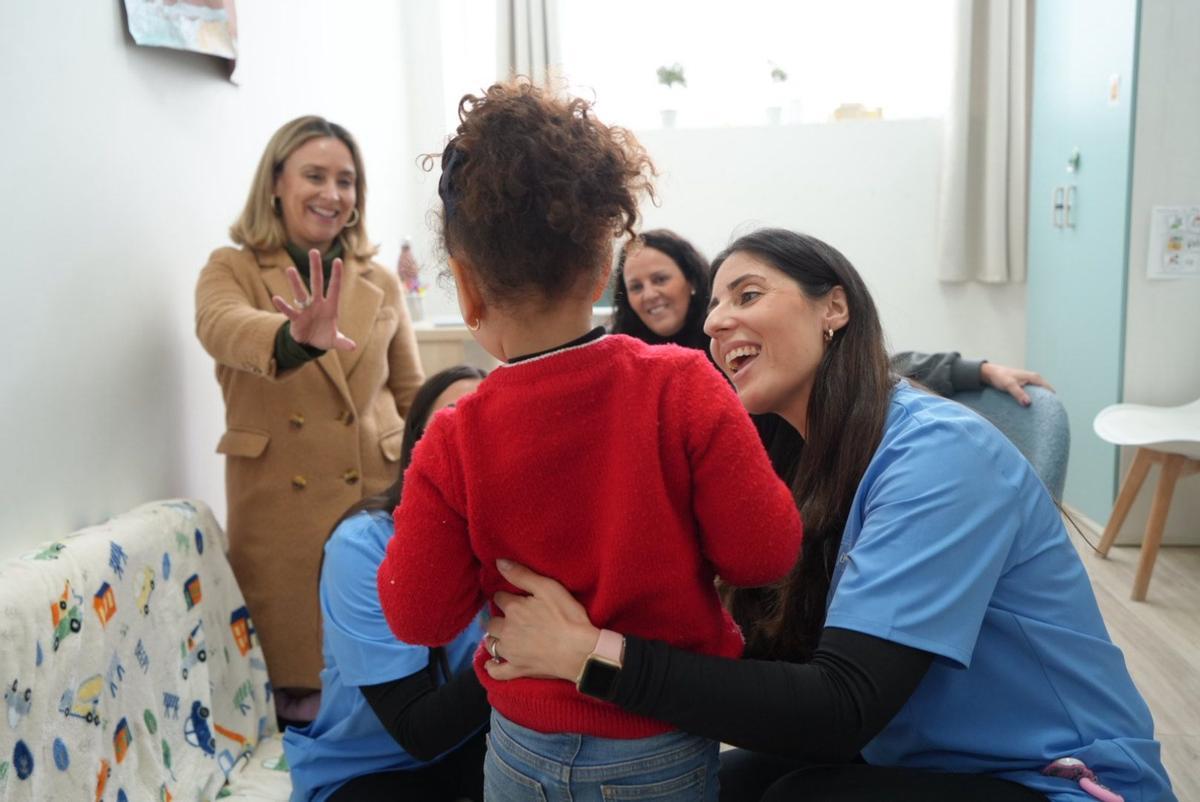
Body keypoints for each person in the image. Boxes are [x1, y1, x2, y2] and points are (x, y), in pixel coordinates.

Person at [479, 229, 1176, 801]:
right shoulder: (796, 459)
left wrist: (592, 656)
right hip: (918, 756)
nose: (716, 320)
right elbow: (756, 652)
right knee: (716, 785)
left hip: (1057, 780)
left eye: (747, 294)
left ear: (833, 307)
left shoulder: (939, 456)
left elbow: (838, 709)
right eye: (715, 306)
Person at [376, 80, 803, 801]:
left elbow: (418, 615)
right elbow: (765, 553)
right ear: (605, 268)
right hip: (655, 747)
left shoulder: (454, 434)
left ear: (468, 289)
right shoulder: (683, 385)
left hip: (517, 749)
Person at [195, 115, 425, 724]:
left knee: (385, 683)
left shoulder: (379, 280)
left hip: (374, 501)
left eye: (346, 180)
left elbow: (411, 393)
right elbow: (219, 326)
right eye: (315, 176)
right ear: (276, 183)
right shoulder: (234, 267)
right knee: (300, 691)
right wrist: (294, 337)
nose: (332, 193)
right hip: (281, 515)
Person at [284, 366, 489, 802]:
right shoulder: (362, 548)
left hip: (475, 745)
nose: (471, 435)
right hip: (367, 768)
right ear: (417, 447)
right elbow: (418, 731)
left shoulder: (512, 536)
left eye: (488, 421)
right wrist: (521, 648)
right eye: (452, 418)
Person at [613, 230, 1052, 406]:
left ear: (690, 280)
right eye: (636, 287)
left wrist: (975, 369)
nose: (649, 294)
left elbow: (872, 369)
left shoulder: (919, 446)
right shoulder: (627, 362)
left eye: (659, 278)